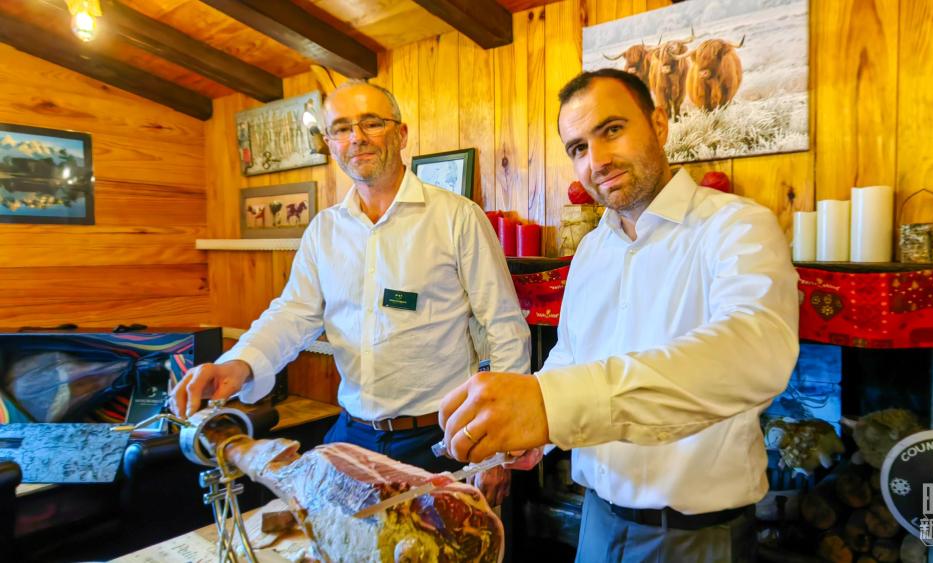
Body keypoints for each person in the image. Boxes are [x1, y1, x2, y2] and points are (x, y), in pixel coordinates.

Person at [439, 68, 799, 561]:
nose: (597, 160)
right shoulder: (590, 250)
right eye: (578, 148)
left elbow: (753, 353)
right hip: (596, 524)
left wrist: (553, 405)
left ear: (659, 124)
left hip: (696, 536)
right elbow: (570, 356)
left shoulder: (736, 226)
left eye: (611, 130)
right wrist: (534, 429)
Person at [171, 80, 530, 505]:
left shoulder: (457, 218)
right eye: (341, 128)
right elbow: (293, 315)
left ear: (401, 134)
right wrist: (238, 365)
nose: (356, 137)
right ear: (330, 144)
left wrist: (498, 447)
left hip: (442, 439)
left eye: (371, 123)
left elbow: (504, 327)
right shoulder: (323, 230)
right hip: (352, 437)